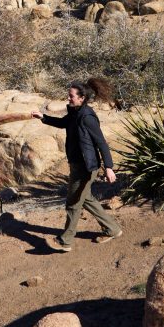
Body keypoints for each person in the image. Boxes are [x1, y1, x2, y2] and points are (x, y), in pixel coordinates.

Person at [31, 81, 120, 252]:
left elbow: (101, 142)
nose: (68, 98)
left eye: (71, 95)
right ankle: (113, 229)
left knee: (73, 202)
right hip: (77, 164)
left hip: (86, 167)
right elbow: (63, 123)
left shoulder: (87, 117)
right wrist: (43, 117)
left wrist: (109, 167)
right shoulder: (75, 112)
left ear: (82, 98)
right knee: (85, 199)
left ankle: (65, 241)